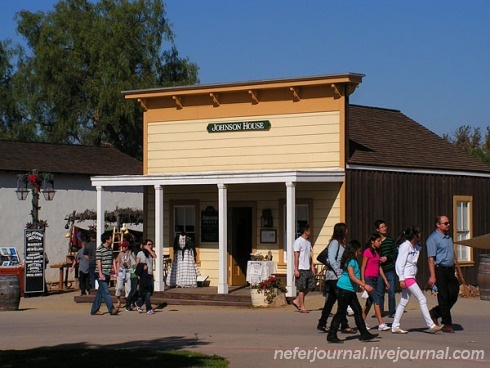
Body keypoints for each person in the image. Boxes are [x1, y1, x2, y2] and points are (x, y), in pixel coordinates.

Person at [391, 226, 442, 334]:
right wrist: (401, 279)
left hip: (411, 276)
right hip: (406, 276)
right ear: (415, 235)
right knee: (422, 299)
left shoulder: (415, 247)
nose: (420, 235)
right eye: (419, 234)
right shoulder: (405, 246)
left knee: (403, 301)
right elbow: (399, 263)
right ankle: (431, 325)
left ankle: (395, 325)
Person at [327, 240, 379, 343]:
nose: (360, 253)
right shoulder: (350, 261)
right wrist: (364, 285)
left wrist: (360, 286)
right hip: (344, 290)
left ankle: (364, 334)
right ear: (354, 250)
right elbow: (351, 276)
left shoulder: (352, 261)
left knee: (358, 311)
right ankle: (331, 335)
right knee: (341, 312)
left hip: (350, 290)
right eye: (358, 251)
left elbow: (354, 277)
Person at [317, 223, 354, 334]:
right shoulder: (334, 243)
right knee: (342, 300)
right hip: (334, 277)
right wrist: (339, 273)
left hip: (336, 276)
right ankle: (344, 325)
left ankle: (322, 323)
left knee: (331, 301)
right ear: (342, 231)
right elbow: (332, 259)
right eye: (346, 229)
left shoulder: (340, 243)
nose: (347, 231)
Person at [427, 215, 459, 333]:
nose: (448, 225)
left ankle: (435, 312)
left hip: (450, 269)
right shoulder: (433, 239)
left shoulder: (448, 238)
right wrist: (432, 275)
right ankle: (447, 323)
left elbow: (451, 255)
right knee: (443, 296)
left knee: (454, 294)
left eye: (448, 223)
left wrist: (454, 271)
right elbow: (431, 259)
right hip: (439, 269)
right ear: (438, 225)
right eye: (445, 223)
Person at [361, 233, 390, 331]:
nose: (380, 243)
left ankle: (361, 322)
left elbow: (379, 267)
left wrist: (385, 280)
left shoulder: (377, 253)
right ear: (372, 241)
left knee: (369, 302)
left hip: (376, 278)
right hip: (368, 278)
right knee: (376, 299)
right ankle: (381, 323)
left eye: (380, 241)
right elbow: (363, 266)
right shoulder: (367, 252)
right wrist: (363, 281)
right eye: (378, 241)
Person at [90, 233, 119, 315]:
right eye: (110, 238)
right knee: (106, 291)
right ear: (107, 240)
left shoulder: (110, 249)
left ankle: (94, 310)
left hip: (108, 273)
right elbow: (98, 262)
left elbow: (113, 259)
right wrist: (100, 274)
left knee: (100, 292)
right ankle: (111, 309)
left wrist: (115, 270)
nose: (112, 239)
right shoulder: (99, 249)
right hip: (100, 273)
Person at [375, 219, 398, 318]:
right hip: (379, 270)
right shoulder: (375, 242)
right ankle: (380, 311)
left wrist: (387, 258)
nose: (384, 228)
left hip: (389, 269)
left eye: (385, 226)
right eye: (382, 227)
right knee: (380, 293)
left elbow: (395, 253)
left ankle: (392, 311)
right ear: (377, 230)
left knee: (391, 291)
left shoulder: (390, 241)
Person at [291, 223, 316, 313]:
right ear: (306, 231)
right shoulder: (298, 242)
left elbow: (310, 256)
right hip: (301, 268)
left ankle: (297, 300)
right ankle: (302, 306)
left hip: (308, 267)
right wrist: (296, 269)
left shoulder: (308, 242)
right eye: (309, 230)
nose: (310, 231)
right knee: (302, 287)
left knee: (310, 286)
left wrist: (312, 267)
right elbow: (296, 256)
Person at [135, 239, 157, 314]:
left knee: (150, 292)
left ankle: (138, 303)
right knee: (147, 292)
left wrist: (149, 250)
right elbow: (136, 264)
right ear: (144, 245)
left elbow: (155, 256)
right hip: (144, 274)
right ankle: (148, 308)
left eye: (151, 244)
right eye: (148, 244)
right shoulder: (140, 253)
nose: (150, 246)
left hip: (150, 274)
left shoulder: (151, 253)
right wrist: (142, 267)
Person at [113, 241, 132, 308]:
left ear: (126, 247)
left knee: (128, 289)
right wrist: (117, 271)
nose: (122, 248)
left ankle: (128, 302)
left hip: (128, 271)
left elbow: (133, 263)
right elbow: (117, 262)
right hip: (121, 271)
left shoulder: (130, 253)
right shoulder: (120, 254)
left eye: (123, 247)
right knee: (118, 287)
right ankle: (118, 301)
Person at [124, 241, 140, 311]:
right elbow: (136, 263)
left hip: (134, 271)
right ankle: (128, 304)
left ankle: (134, 303)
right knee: (133, 290)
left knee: (135, 290)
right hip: (134, 272)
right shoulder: (134, 254)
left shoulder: (132, 253)